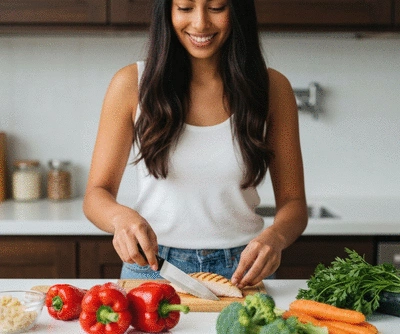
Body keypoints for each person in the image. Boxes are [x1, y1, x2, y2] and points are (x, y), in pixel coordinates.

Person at [83, 0, 308, 289]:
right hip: (152, 266)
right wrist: (120, 218)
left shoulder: (272, 88)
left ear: (237, 11)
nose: (200, 23)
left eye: (216, 7)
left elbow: (293, 203)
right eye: (185, 7)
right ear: (168, 12)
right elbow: (95, 195)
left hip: (243, 268)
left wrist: (275, 237)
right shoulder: (131, 84)